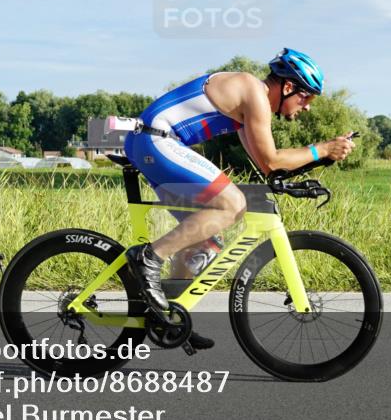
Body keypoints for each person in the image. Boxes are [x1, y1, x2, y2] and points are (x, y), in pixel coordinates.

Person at [123, 49, 357, 348]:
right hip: (156, 138)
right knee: (232, 204)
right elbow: (272, 160)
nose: (307, 107)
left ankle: (166, 315)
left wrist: (316, 163)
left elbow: (266, 166)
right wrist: (322, 149)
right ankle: (147, 258)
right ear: (288, 87)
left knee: (204, 240)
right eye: (306, 97)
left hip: (154, 143)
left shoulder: (249, 105)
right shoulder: (253, 92)